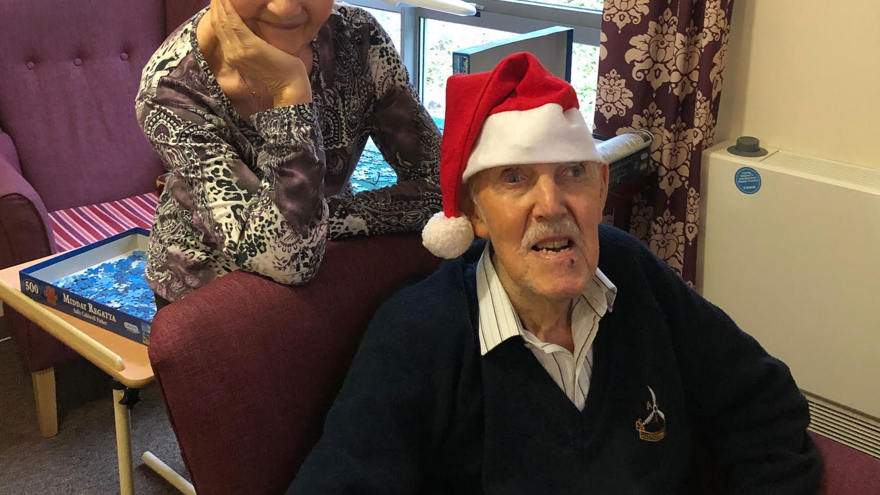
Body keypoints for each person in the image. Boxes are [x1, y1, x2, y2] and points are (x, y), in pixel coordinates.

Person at [286, 52, 822, 494]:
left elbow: (763, 405)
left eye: (573, 173)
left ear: (602, 188)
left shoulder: (631, 272)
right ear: (474, 214)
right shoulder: (418, 334)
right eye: (515, 178)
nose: (551, 204)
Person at [135, 0, 441, 305]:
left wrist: (320, 222)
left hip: (328, 266)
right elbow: (289, 259)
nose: (285, 8)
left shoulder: (358, 36)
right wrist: (290, 90)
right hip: (209, 294)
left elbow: (444, 187)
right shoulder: (169, 88)